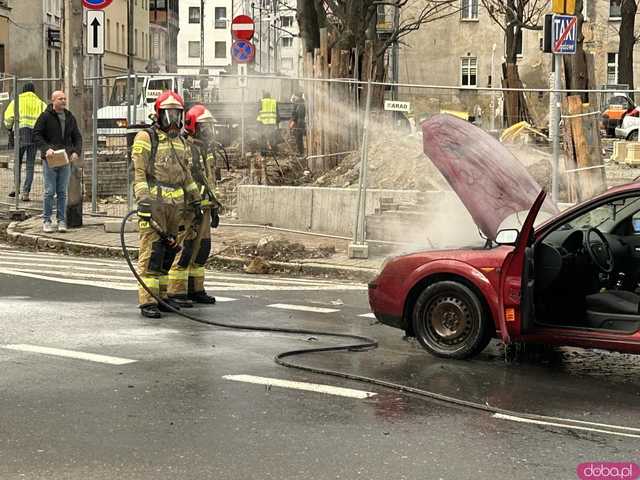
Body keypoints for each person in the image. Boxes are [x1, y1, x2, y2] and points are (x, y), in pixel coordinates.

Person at [131, 91, 202, 319]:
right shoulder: (145, 138)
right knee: (152, 253)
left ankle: (162, 297)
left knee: (168, 254)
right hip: (154, 205)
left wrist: (196, 201)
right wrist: (143, 203)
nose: (173, 120)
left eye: (177, 115)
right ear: (158, 115)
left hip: (176, 207)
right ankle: (148, 300)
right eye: (168, 115)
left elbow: (186, 175)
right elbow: (139, 173)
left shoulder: (181, 142)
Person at [167, 104, 222, 306]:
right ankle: (176, 292)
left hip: (205, 207)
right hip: (188, 209)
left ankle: (195, 289)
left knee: (202, 249)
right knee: (185, 249)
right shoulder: (183, 147)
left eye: (209, 126)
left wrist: (214, 206)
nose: (208, 131)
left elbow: (211, 180)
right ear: (192, 126)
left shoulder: (207, 150)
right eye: (204, 126)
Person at [33, 90, 82, 233]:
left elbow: (77, 137)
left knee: (62, 192)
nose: (64, 101)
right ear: (53, 100)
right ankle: (47, 220)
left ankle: (61, 220)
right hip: (50, 159)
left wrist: (75, 152)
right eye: (60, 99)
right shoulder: (45, 116)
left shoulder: (69, 117)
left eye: (65, 99)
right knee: (49, 191)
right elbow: (36, 134)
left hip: (65, 159)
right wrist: (46, 149)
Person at [3, 83, 47, 201]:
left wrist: (9, 127)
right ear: (33, 91)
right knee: (30, 165)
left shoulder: (16, 101)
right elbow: (46, 120)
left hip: (20, 135)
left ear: (23, 91)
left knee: (17, 163)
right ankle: (26, 192)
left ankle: (16, 189)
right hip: (34, 137)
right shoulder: (41, 103)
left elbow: (8, 119)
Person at [255, 91, 279, 179]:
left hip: (263, 123)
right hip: (272, 124)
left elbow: (257, 113)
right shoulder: (274, 102)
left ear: (263, 96)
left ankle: (263, 153)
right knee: (272, 138)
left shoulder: (261, 102)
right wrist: (277, 122)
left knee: (262, 138)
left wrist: (258, 123)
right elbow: (278, 114)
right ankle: (273, 153)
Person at [290, 92, 306, 156]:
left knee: (298, 138)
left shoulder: (298, 103)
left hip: (298, 122)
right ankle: (300, 152)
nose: (293, 97)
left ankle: (300, 152)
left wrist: (293, 122)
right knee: (300, 138)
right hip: (301, 122)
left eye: (294, 96)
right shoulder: (302, 102)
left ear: (297, 96)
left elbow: (295, 113)